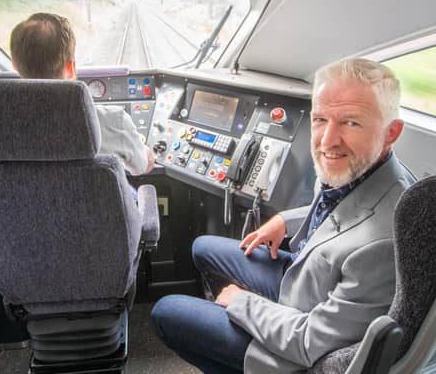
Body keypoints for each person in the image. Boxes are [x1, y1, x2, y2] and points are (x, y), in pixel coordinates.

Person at [151, 58, 416, 373]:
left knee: (166, 312)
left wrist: (241, 302)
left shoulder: (383, 242)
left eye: (351, 123)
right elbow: (336, 209)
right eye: (319, 119)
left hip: (298, 346)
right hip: (307, 280)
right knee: (203, 246)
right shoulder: (365, 169)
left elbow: (308, 342)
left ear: (391, 133)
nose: (327, 140)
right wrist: (283, 220)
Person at [9, 12, 154, 176]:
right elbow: (141, 166)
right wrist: (145, 150)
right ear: (71, 68)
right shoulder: (113, 121)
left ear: (14, 64)